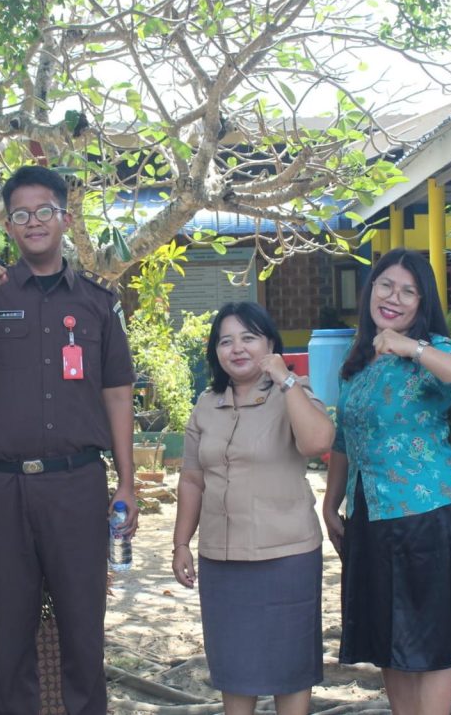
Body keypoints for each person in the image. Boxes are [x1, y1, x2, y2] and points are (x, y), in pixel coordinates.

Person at [0, 164, 136, 715]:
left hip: (77, 483)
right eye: (20, 214)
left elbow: (116, 390)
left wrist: (127, 481)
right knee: (10, 633)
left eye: (44, 211)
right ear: (8, 225)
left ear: (63, 217)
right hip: (3, 489)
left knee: (84, 628)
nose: (33, 222)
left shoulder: (96, 302)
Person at [322, 248, 451, 715]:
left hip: (428, 517)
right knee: (387, 639)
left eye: (408, 291)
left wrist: (413, 348)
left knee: (430, 641)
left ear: (422, 302)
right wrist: (330, 502)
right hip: (370, 515)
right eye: (385, 285)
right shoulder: (357, 360)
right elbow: (343, 436)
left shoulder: (433, 348)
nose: (393, 298)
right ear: (370, 291)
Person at [171, 301, 334, 715]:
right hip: (222, 560)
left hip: (287, 555)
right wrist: (181, 544)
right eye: (226, 341)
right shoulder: (207, 404)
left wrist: (285, 379)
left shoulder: (293, 393)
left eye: (249, 338)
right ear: (216, 351)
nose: (237, 349)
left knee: (290, 666)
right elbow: (192, 478)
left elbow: (318, 443)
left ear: (270, 344)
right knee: (234, 666)